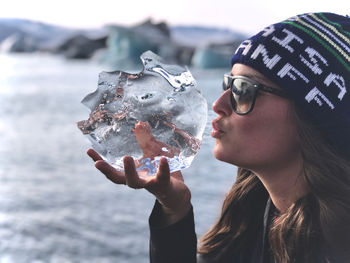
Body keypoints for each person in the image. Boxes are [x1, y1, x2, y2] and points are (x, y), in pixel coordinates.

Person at [87, 12, 350, 263]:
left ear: (314, 114)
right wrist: (174, 208)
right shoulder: (251, 215)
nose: (219, 104)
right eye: (229, 84)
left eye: (243, 90)